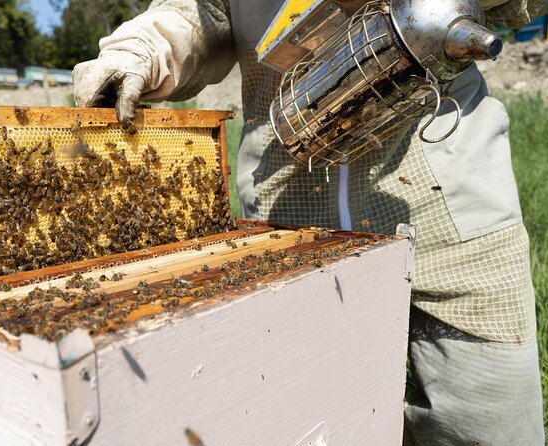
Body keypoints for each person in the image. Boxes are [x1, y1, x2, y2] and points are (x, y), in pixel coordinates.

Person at [72, 1, 546, 444]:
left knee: (489, 417)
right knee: (314, 416)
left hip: (450, 203)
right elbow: (201, 16)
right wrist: (141, 51)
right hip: (291, 215)